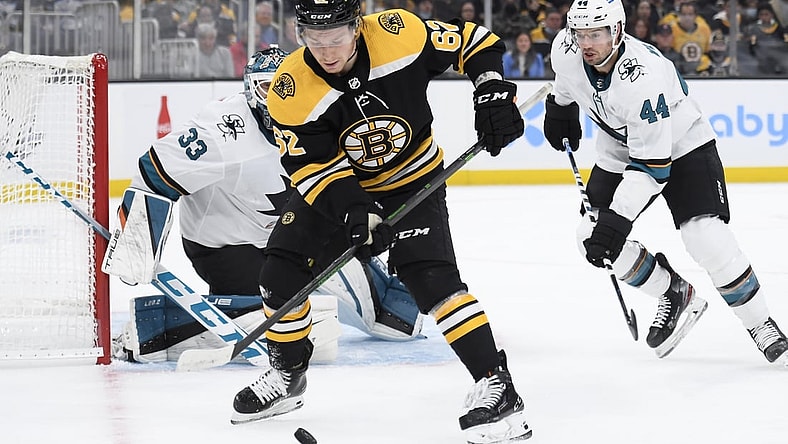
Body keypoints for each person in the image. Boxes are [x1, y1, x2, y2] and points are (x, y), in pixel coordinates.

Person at [230, 1, 531, 442]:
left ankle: (496, 384)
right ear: (299, 34)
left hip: (414, 182)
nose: (327, 51)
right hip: (339, 186)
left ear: (357, 26)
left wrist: (491, 91)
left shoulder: (400, 34)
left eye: (336, 38)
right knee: (280, 271)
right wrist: (355, 209)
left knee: (431, 279)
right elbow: (312, 168)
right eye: (315, 40)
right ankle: (287, 374)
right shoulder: (291, 88)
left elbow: (476, 43)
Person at [105, 46, 425, 365]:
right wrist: (137, 244)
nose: (277, 100)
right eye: (266, 88)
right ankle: (152, 330)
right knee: (287, 328)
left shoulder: (321, 117)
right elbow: (155, 169)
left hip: (290, 234)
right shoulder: (225, 130)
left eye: (286, 87)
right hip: (227, 247)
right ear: (249, 91)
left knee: (396, 318)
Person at [544, 0, 788, 365]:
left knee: (704, 235)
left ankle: (761, 324)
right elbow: (566, 80)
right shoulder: (566, 48)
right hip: (620, 147)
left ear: (618, 30)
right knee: (589, 236)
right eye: (580, 34)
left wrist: (620, 217)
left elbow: (653, 166)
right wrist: (559, 106)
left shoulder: (642, 77)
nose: (586, 43)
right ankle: (673, 292)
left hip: (682, 144)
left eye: (595, 34)